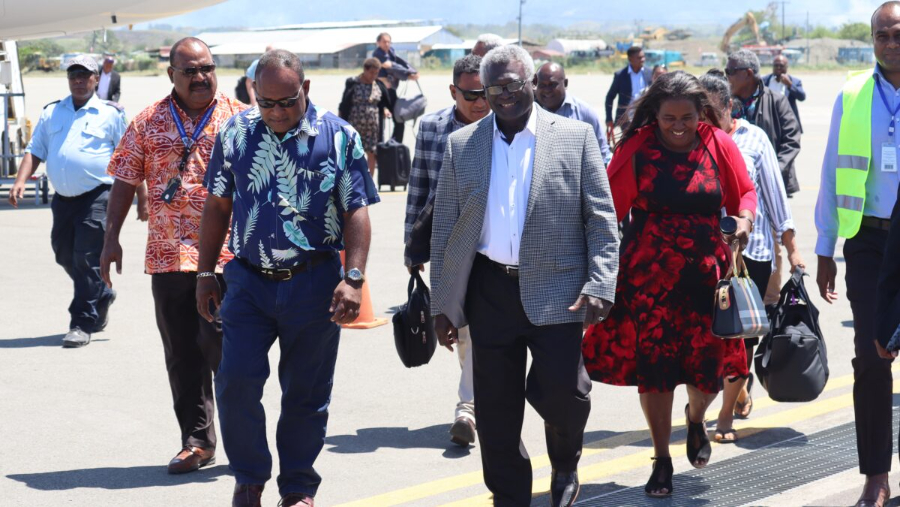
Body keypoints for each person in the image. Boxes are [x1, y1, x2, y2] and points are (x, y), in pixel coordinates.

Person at [430, 45, 619, 507]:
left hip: (560, 290)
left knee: (564, 396)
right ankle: (509, 495)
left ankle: (565, 461)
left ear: (531, 83)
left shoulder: (574, 137)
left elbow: (601, 217)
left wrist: (600, 282)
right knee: (495, 412)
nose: (503, 95)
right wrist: (443, 305)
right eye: (492, 88)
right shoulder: (461, 145)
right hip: (490, 290)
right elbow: (445, 230)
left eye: (512, 85)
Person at [196, 49, 380, 507]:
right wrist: (204, 272)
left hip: (314, 283)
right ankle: (249, 479)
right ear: (253, 94)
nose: (277, 112)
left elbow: (356, 209)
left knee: (306, 393)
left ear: (307, 90)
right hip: (248, 283)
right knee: (235, 383)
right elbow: (217, 206)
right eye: (266, 102)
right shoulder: (235, 133)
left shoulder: (339, 137)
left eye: (287, 101)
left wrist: (353, 277)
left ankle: (297, 487)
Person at [582, 71, 757, 498]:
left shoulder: (719, 145)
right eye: (668, 117)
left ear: (702, 113)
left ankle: (696, 419)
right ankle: (661, 458)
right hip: (649, 282)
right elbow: (606, 212)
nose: (678, 125)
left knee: (709, 377)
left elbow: (745, 194)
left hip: (707, 282)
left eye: (687, 116)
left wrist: (746, 221)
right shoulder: (637, 148)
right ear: (654, 115)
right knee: (655, 374)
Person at [101, 37, 247, 475]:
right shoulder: (147, 122)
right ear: (172, 75)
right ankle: (197, 441)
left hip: (226, 258)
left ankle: (242, 441)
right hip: (167, 256)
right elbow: (124, 181)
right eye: (190, 71)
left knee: (228, 353)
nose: (201, 77)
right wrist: (111, 239)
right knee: (182, 355)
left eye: (207, 68)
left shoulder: (242, 119)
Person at [815, 3, 900, 506]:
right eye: (881, 34)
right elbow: (830, 173)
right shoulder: (852, 94)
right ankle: (875, 474)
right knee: (871, 358)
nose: (890, 42)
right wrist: (825, 247)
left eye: (897, 33)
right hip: (868, 241)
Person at [699, 70, 805, 443]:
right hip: (704, 259)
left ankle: (725, 415)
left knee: (741, 339)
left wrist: (792, 250)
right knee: (708, 337)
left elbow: (775, 198)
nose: (705, 120)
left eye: (712, 112)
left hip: (752, 258)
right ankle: (733, 388)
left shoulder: (754, 139)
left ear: (730, 107)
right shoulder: (691, 141)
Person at [7, 55, 126, 348]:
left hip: (98, 195)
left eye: (85, 75)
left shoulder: (110, 115)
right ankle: (100, 292)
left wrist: (141, 195)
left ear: (96, 79)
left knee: (86, 258)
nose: (78, 81)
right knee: (63, 254)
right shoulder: (52, 112)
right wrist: (21, 180)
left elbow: (127, 159)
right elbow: (35, 149)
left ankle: (81, 323)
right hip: (63, 199)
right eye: (73, 75)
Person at [404, 54, 490, 447]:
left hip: (493, 246)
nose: (480, 102)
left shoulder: (504, 125)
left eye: (485, 92)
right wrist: (412, 245)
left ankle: (468, 407)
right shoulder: (433, 128)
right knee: (460, 328)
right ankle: (474, 400)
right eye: (470, 94)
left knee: (482, 327)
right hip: (447, 244)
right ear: (453, 91)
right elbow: (418, 186)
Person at [726, 49, 801, 197]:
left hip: (770, 187)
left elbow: (792, 140)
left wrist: (773, 171)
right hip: (733, 184)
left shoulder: (776, 101)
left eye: (730, 71)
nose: (726, 76)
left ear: (747, 73)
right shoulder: (725, 104)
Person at [534, 61, 612, 164]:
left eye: (552, 85)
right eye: (542, 85)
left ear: (565, 83)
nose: (547, 90)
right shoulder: (529, 113)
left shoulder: (584, 113)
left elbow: (602, 152)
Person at [338, 57, 392, 177]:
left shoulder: (378, 85)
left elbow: (384, 103)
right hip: (355, 125)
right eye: (372, 72)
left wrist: (385, 110)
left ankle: (369, 183)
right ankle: (353, 181)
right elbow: (344, 104)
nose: (374, 75)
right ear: (365, 70)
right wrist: (340, 123)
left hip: (373, 127)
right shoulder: (353, 83)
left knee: (372, 152)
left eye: (376, 73)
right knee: (353, 153)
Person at [373, 32, 419, 144]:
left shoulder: (391, 52)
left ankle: (395, 145)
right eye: (384, 41)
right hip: (379, 91)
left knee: (399, 119)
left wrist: (411, 70)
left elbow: (400, 62)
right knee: (380, 122)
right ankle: (380, 148)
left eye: (389, 41)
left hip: (391, 91)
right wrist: (408, 74)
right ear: (378, 43)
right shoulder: (378, 54)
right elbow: (390, 66)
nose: (387, 44)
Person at [605, 46, 652, 132]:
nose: (643, 59)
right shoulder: (620, 76)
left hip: (645, 117)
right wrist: (609, 118)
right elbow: (610, 97)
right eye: (639, 57)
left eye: (643, 57)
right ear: (630, 59)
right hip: (626, 119)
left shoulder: (649, 73)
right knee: (629, 143)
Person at [763, 54, 806, 133]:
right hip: (768, 121)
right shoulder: (765, 81)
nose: (778, 68)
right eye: (776, 65)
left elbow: (802, 97)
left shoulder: (794, 81)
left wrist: (789, 84)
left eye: (781, 66)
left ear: (786, 67)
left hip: (787, 122)